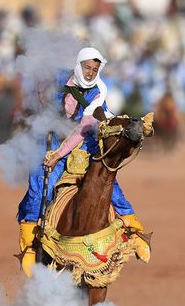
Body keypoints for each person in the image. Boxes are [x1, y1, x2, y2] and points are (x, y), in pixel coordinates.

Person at [16, 47, 150, 276]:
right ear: (78, 65)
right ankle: (29, 244)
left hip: (82, 136)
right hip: (52, 134)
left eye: (95, 69)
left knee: (105, 175)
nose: (90, 73)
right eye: (87, 67)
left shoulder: (99, 91)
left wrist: (58, 154)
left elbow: (83, 128)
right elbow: (40, 84)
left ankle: (133, 230)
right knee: (39, 180)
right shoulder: (58, 77)